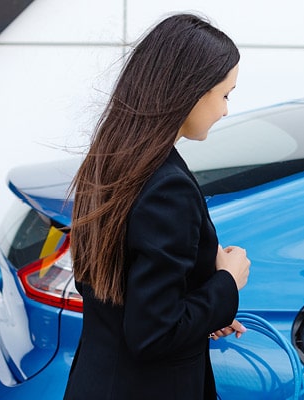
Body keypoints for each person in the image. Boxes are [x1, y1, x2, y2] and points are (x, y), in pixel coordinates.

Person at [63, 13, 251, 400]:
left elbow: (119, 294)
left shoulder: (110, 158)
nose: (225, 110)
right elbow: (154, 332)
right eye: (225, 95)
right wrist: (226, 283)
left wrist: (204, 311)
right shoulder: (167, 187)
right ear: (192, 91)